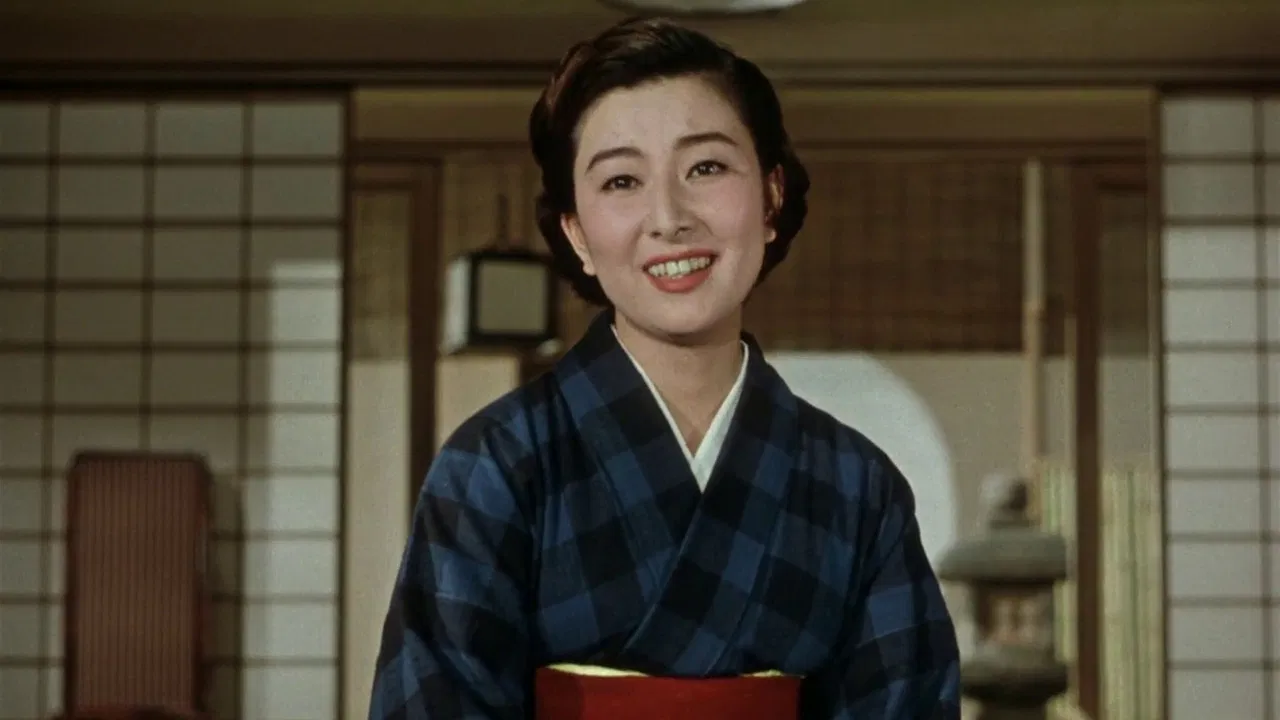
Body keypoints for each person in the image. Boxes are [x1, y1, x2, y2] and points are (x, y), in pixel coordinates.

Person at [369, 16, 961, 720]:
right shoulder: (497, 465)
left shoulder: (857, 487)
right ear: (576, 233)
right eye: (622, 180)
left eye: (705, 168)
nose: (669, 217)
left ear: (771, 197)